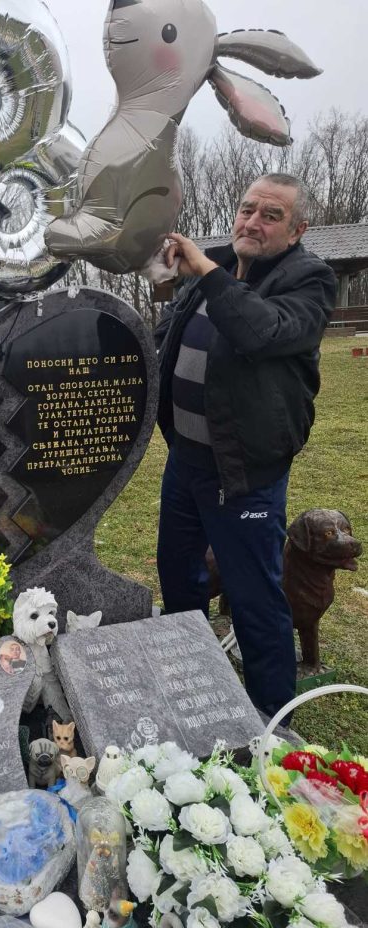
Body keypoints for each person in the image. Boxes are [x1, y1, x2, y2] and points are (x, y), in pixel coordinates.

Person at [154, 173, 337, 719]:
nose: (253, 222)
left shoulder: (309, 280)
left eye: (270, 215)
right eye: (247, 209)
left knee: (254, 596)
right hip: (185, 461)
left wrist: (209, 274)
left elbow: (259, 331)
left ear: (297, 229)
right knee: (178, 578)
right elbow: (167, 337)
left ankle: (272, 719)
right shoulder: (212, 269)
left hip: (243, 472)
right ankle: (191, 685)